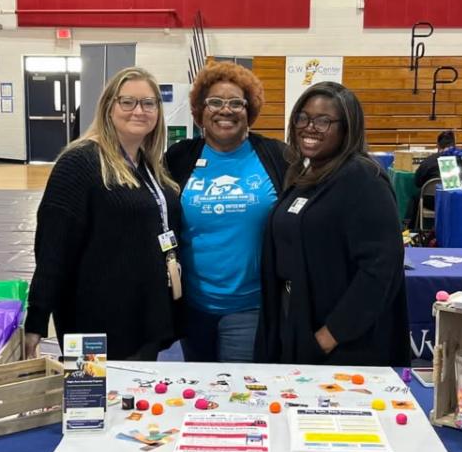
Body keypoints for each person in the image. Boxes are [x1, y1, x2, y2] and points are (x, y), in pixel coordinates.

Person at [24, 67, 180, 361]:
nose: (139, 111)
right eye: (128, 102)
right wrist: (36, 321)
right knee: (90, 392)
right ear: (109, 107)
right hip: (92, 322)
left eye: (148, 103)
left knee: (136, 390)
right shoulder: (79, 162)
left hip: (143, 318)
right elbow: (53, 248)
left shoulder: (149, 165)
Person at [256, 82, 411, 367]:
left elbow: (381, 268)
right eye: (303, 118)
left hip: (342, 345)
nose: (309, 127)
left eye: (323, 121)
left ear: (347, 128)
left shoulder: (363, 179)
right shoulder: (308, 175)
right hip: (298, 321)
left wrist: (329, 336)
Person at [165, 61, 287, 362]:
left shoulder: (277, 156)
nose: (226, 110)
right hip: (194, 307)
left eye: (236, 103)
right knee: (199, 387)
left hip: (251, 308)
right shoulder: (180, 158)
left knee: (239, 387)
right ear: (200, 110)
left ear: (249, 110)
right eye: (215, 102)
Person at [407, 131, 462, 228]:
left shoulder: (428, 161)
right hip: (456, 200)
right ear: (454, 144)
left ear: (437, 146)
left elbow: (417, 182)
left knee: (416, 197)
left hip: (432, 201)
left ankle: (412, 229)